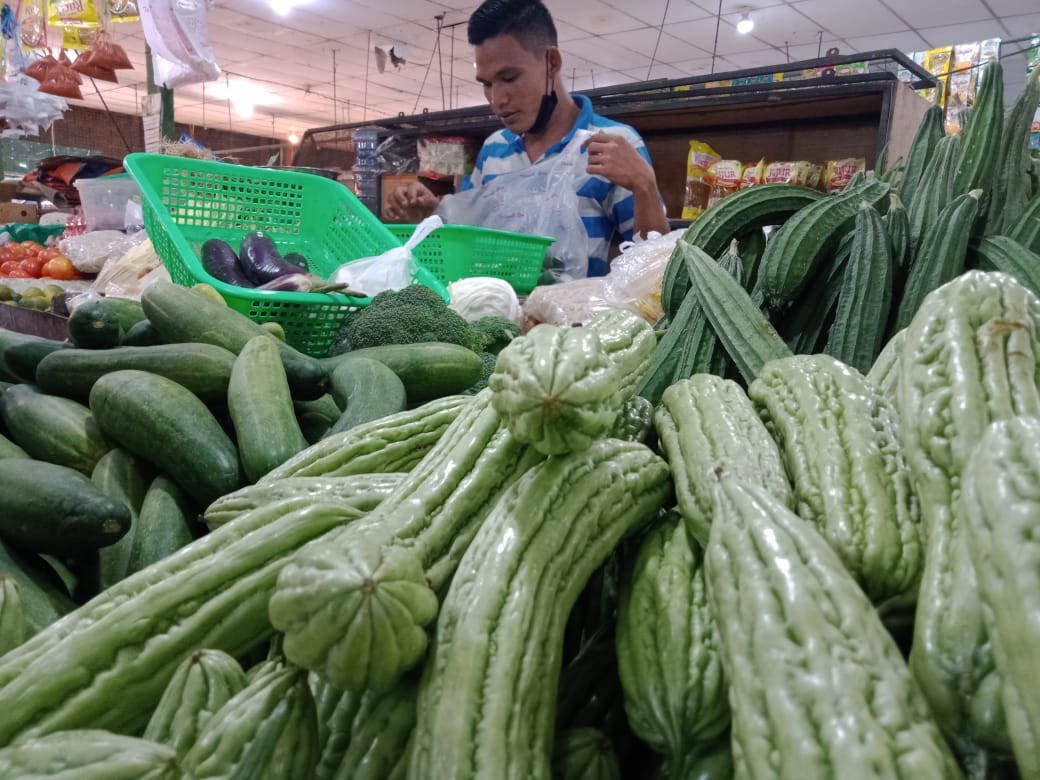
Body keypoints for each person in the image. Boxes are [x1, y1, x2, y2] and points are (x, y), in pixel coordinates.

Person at [383, 0, 670, 277]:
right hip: (497, 319)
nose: (497, 100)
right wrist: (428, 220)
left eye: (509, 78)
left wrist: (644, 187)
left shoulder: (613, 143)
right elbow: (474, 243)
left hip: (572, 323)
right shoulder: (494, 148)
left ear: (552, 62)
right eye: (486, 84)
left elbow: (654, 270)